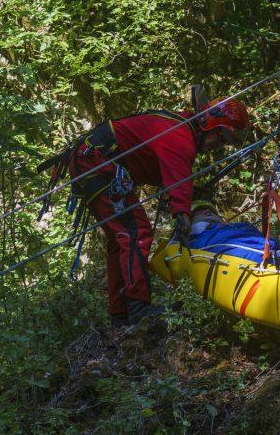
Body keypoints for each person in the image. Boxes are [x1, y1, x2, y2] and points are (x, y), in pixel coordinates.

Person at [38, 99, 252, 326]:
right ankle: (137, 307)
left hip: (92, 162)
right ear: (207, 124)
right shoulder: (181, 137)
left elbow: (171, 174)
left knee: (120, 238)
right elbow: (179, 182)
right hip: (97, 164)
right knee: (136, 232)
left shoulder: (176, 127)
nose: (218, 145)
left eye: (225, 142)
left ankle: (120, 313)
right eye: (220, 137)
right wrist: (181, 215)